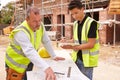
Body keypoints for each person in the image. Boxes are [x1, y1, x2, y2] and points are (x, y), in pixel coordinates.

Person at [5, 6, 65, 80]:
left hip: (28, 62)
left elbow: (46, 41)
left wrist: (53, 55)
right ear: (27, 19)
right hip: (15, 65)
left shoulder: (40, 26)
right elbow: (29, 51)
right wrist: (46, 68)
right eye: (35, 21)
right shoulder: (21, 31)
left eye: (39, 20)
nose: (38, 24)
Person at [60, 0, 100, 80]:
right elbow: (75, 40)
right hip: (76, 58)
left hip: (87, 61)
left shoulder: (91, 23)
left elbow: (90, 44)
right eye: (72, 14)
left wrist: (71, 47)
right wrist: (66, 41)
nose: (74, 16)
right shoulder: (75, 23)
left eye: (76, 13)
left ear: (82, 9)